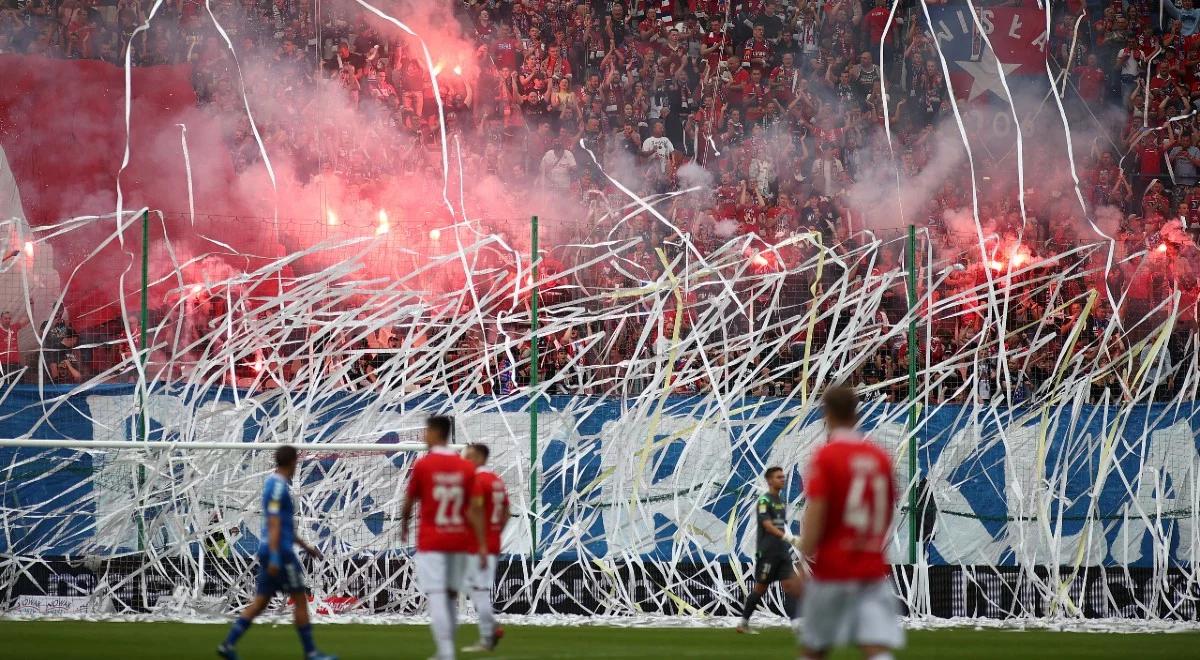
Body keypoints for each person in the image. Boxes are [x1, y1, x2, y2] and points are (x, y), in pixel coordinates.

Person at [796, 385, 902, 660]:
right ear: (856, 415)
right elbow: (888, 510)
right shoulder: (880, 458)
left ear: (826, 415)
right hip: (870, 566)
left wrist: (802, 560)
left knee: (815, 648)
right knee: (876, 647)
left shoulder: (826, 456)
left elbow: (816, 511)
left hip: (833, 566)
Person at [217, 445, 336, 660]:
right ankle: (311, 652)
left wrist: (307, 547)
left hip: (272, 550)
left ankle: (228, 644)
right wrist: (274, 556)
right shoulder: (278, 487)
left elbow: (284, 525)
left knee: (261, 602)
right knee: (300, 600)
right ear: (292, 462)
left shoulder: (274, 484)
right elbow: (273, 523)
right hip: (280, 554)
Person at [401, 416, 483, 660]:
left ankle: (446, 651)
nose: (423, 436)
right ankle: (447, 647)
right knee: (449, 594)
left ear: (436, 433)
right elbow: (475, 508)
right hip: (459, 539)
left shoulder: (424, 465)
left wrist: (404, 524)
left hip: (433, 540)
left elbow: (410, 500)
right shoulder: (466, 467)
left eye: (426, 431)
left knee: (437, 593)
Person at [735, 466, 804, 634]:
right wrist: (790, 538)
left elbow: (780, 526)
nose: (782, 479)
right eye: (779, 477)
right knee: (760, 588)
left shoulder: (779, 501)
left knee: (791, 586)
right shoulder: (765, 501)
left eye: (783, 477)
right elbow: (767, 525)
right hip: (768, 553)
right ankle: (743, 622)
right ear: (769, 480)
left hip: (782, 552)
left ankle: (796, 625)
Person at [461, 443, 510, 653]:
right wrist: (495, 534)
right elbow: (507, 511)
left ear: (480, 458)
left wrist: (481, 543)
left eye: (468, 457)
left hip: (478, 545)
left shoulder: (477, 481)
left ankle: (488, 635)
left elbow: (476, 512)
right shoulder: (496, 480)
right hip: (490, 542)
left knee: (477, 591)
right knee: (475, 589)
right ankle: (490, 630)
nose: (465, 461)